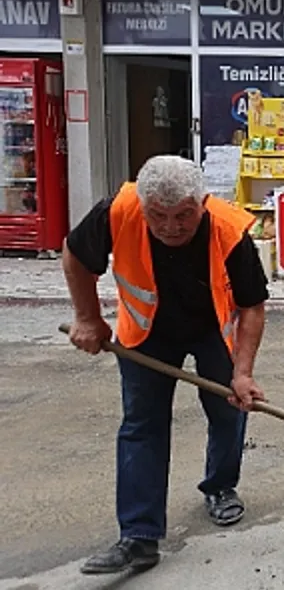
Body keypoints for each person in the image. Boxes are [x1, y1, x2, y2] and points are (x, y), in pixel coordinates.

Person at [61, 155, 269, 574]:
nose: (171, 227)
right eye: (158, 215)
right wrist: (87, 318)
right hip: (146, 333)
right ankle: (139, 536)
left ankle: (220, 487)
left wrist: (243, 373)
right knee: (142, 424)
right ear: (143, 205)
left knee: (229, 410)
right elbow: (75, 256)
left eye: (183, 216)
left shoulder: (228, 228)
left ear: (202, 204)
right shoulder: (117, 211)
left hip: (211, 329)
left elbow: (252, 305)